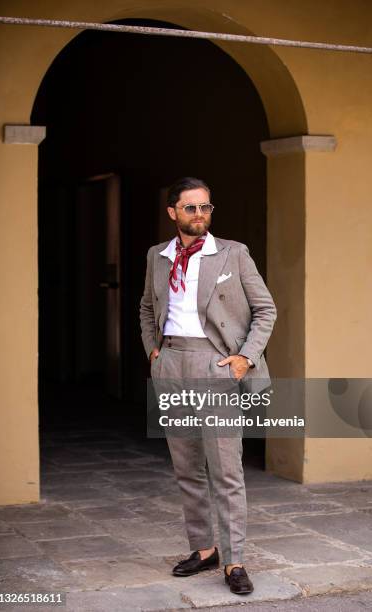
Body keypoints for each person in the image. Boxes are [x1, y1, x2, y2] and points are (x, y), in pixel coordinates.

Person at [140, 177, 277, 595]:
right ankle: (204, 549)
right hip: (172, 364)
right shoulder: (157, 256)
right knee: (186, 467)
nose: (199, 215)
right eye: (190, 208)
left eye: (205, 208)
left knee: (226, 470)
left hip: (216, 364)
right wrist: (153, 353)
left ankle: (234, 561)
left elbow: (265, 309)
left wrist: (244, 359)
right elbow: (147, 307)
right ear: (173, 213)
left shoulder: (233, 254)